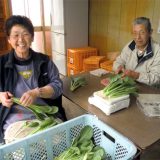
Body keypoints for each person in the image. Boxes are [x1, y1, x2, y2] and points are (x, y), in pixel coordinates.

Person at [0, 15, 67, 143]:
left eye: (25, 34)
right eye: (15, 35)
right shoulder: (1, 64)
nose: (21, 39)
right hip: (16, 121)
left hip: (46, 117)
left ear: (32, 37)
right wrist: (1, 97)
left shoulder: (44, 61)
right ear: (9, 39)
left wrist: (36, 92)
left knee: (60, 146)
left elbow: (57, 86)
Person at [113, 17, 160, 86]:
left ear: (150, 32)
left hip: (149, 91)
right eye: (135, 33)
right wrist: (118, 67)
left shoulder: (157, 50)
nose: (138, 37)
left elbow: (157, 78)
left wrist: (136, 75)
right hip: (129, 86)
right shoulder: (130, 45)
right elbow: (118, 61)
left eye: (142, 32)